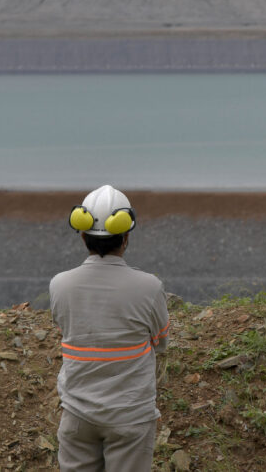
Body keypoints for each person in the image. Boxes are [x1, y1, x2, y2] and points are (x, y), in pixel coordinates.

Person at [49, 185, 170, 472]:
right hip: (130, 415)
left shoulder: (60, 284)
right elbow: (161, 342)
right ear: (126, 236)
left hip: (77, 413)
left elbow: (63, 327)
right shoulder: (149, 288)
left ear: (82, 234)